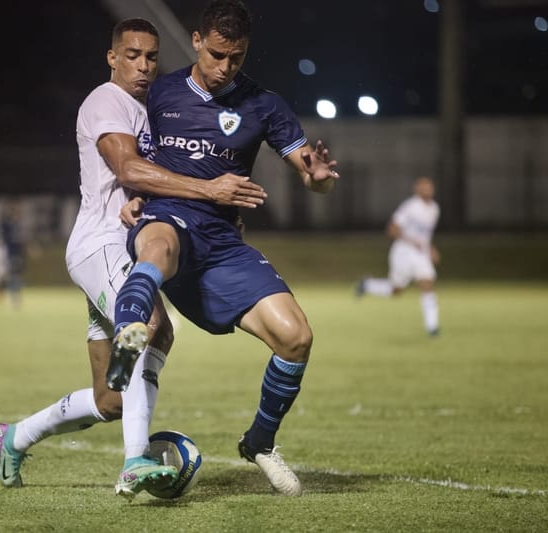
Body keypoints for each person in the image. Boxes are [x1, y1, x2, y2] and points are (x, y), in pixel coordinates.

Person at [0, 17, 268, 500]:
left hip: (118, 248)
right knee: (152, 323)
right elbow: (129, 166)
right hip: (102, 245)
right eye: (132, 56)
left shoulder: (152, 107)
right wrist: (209, 188)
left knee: (109, 399)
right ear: (112, 57)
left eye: (151, 57)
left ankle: (14, 438)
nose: (143, 66)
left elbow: (152, 177)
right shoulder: (106, 101)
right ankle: (136, 460)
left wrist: (203, 209)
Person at [106, 0, 339, 497]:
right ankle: (128, 330)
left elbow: (309, 175)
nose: (224, 67)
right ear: (195, 42)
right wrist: (131, 198)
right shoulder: (160, 92)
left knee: (296, 337)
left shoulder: (265, 105)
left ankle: (260, 442)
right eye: (215, 55)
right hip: (167, 218)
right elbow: (131, 158)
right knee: (159, 246)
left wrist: (318, 179)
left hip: (223, 243)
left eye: (236, 57)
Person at [355, 176, 441, 336]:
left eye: (430, 186)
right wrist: (411, 241)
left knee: (427, 283)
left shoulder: (435, 208)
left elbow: (426, 235)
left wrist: (431, 248)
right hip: (403, 252)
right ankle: (367, 285)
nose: (428, 189)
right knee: (396, 290)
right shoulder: (410, 207)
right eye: (424, 187)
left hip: (421, 254)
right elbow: (392, 229)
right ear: (417, 190)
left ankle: (433, 327)